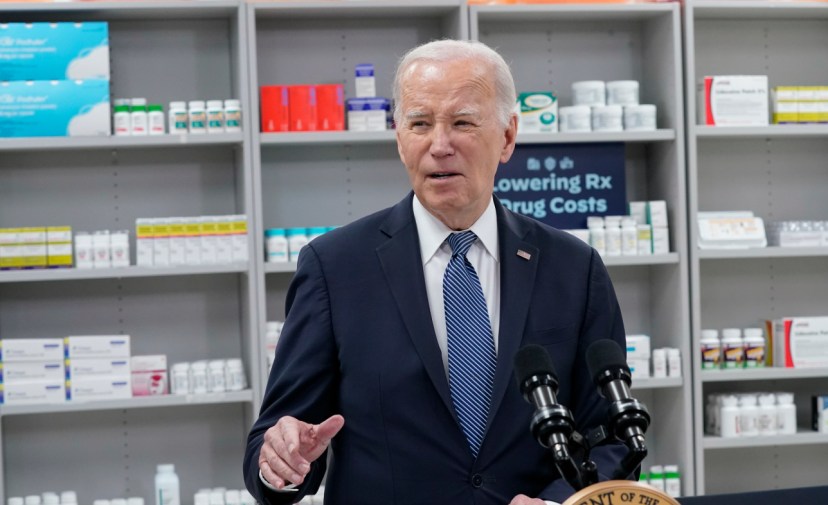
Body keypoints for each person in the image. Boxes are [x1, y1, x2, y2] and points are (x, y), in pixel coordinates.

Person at [243, 39, 628, 505]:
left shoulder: (573, 267)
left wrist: (558, 501)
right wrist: (282, 461)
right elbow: (274, 440)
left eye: (463, 122)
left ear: (507, 137)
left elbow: (612, 435)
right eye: (419, 124)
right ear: (399, 137)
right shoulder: (336, 266)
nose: (439, 146)